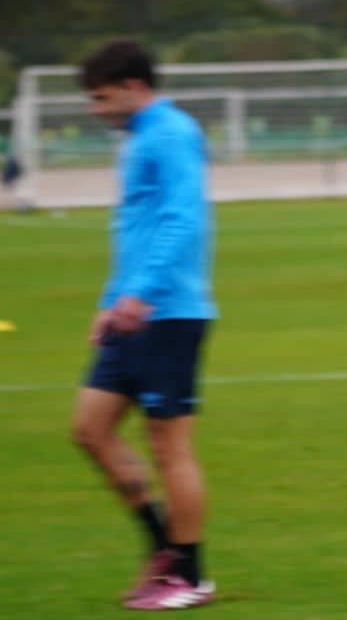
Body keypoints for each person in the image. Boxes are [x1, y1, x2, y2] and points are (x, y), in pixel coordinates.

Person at [70, 40, 217, 610]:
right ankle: (164, 549)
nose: (96, 109)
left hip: (170, 312)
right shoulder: (137, 142)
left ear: (133, 86)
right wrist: (111, 301)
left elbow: (184, 219)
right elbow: (134, 229)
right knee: (89, 429)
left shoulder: (172, 133)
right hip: (131, 311)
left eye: (101, 98)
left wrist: (141, 294)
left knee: (168, 447)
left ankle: (191, 575)